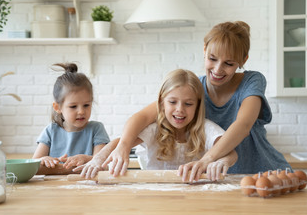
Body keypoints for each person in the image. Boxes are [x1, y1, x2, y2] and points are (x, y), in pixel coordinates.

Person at [79, 21, 291, 181]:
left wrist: (207, 159)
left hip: (261, 168)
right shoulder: (193, 89)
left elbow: (243, 125)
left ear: (242, 61)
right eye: (212, 59)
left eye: (228, 63)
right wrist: (123, 147)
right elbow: (144, 117)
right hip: (220, 175)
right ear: (204, 50)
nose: (217, 69)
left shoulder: (252, 81)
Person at [75, 69, 238, 181]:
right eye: (173, 102)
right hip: (156, 194)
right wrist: (98, 160)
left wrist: (221, 162)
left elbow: (231, 153)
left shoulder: (205, 128)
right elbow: (118, 143)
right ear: (161, 103)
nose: (180, 110)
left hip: (196, 196)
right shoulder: (155, 129)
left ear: (198, 105)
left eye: (188, 104)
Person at [32, 62, 110, 174]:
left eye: (86, 105)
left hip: (87, 187)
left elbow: (103, 164)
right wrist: (42, 160)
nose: (81, 111)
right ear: (57, 107)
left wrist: (87, 159)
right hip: (54, 188)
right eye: (73, 106)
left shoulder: (97, 129)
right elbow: (33, 165)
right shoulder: (50, 131)